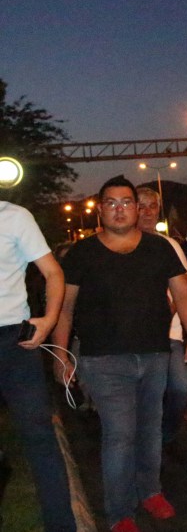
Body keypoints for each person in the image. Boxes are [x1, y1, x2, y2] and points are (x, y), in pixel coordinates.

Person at [55, 175, 187, 532]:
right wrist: (61, 356)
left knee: (149, 429)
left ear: (137, 209)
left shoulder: (159, 248)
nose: (119, 209)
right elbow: (64, 307)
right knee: (120, 434)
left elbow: (184, 294)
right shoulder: (83, 253)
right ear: (101, 210)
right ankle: (120, 512)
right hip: (103, 359)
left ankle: (150, 490)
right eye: (111, 203)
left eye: (126, 202)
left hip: (155, 355)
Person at [0, 200, 77, 532]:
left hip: (13, 342)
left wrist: (47, 321)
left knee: (39, 437)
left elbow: (53, 272)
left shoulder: (14, 216)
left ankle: (61, 525)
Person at [136, 187, 187, 451]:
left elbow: (186, 287)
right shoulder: (123, 245)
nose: (147, 212)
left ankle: (166, 434)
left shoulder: (170, 245)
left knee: (180, 388)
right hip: (134, 337)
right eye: (141, 206)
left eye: (153, 206)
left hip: (169, 335)